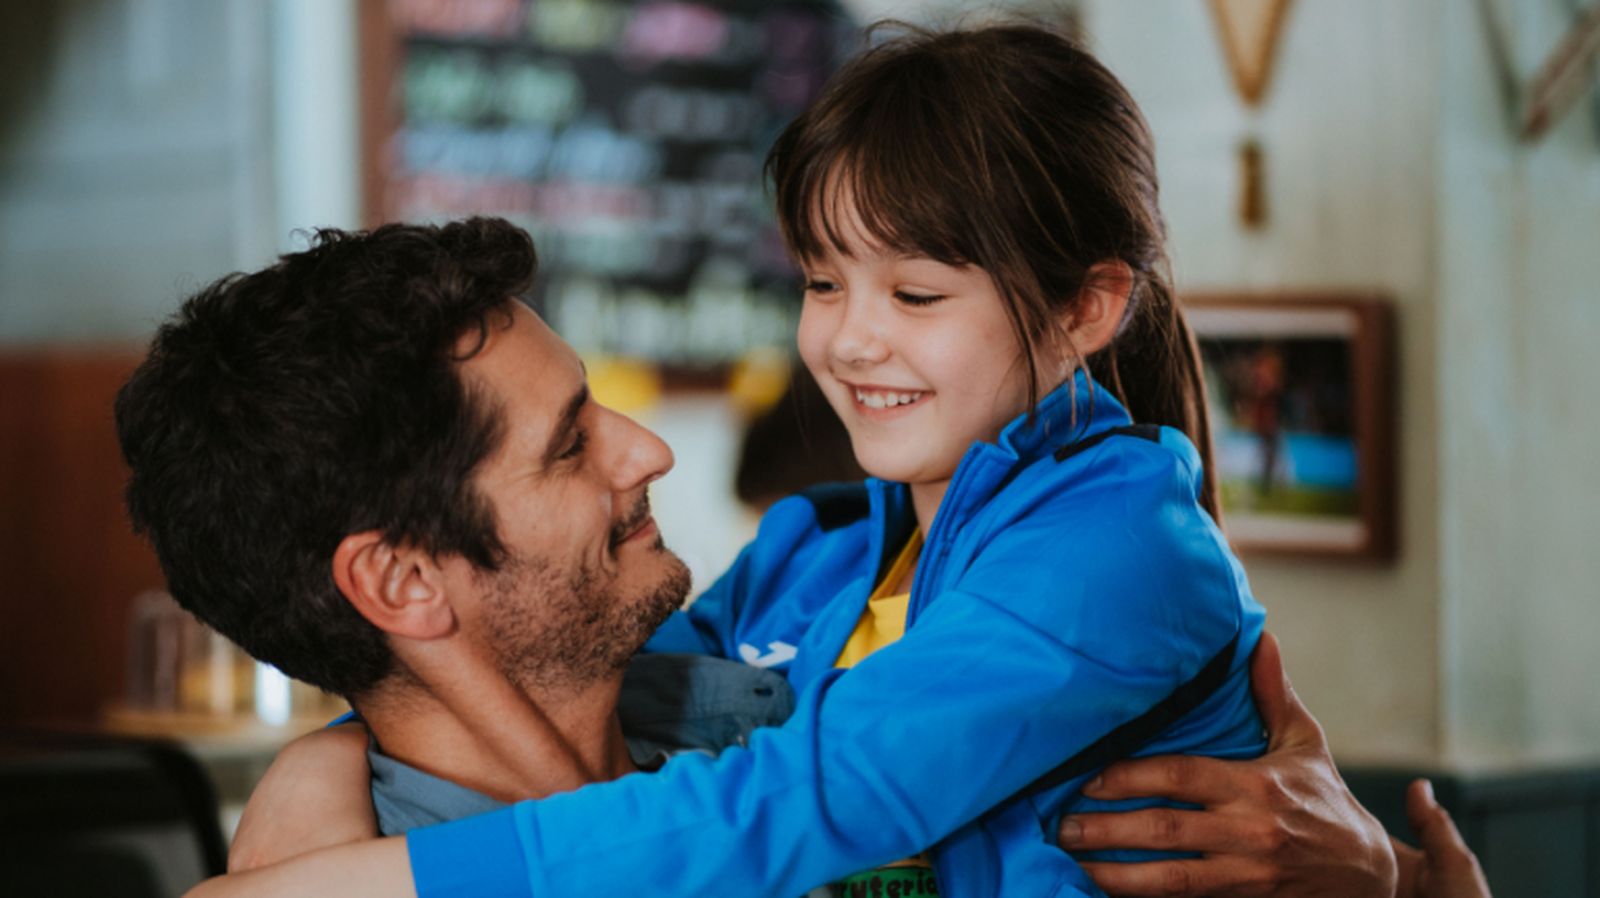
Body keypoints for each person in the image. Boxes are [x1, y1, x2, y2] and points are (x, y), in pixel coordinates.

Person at [189, 21, 1273, 898]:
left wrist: (367, 880)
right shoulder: (813, 556)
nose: (848, 339)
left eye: (916, 294)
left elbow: (807, 795)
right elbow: (532, 670)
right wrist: (322, 760)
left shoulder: (1117, 546)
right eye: (819, 281)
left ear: (1087, 307)